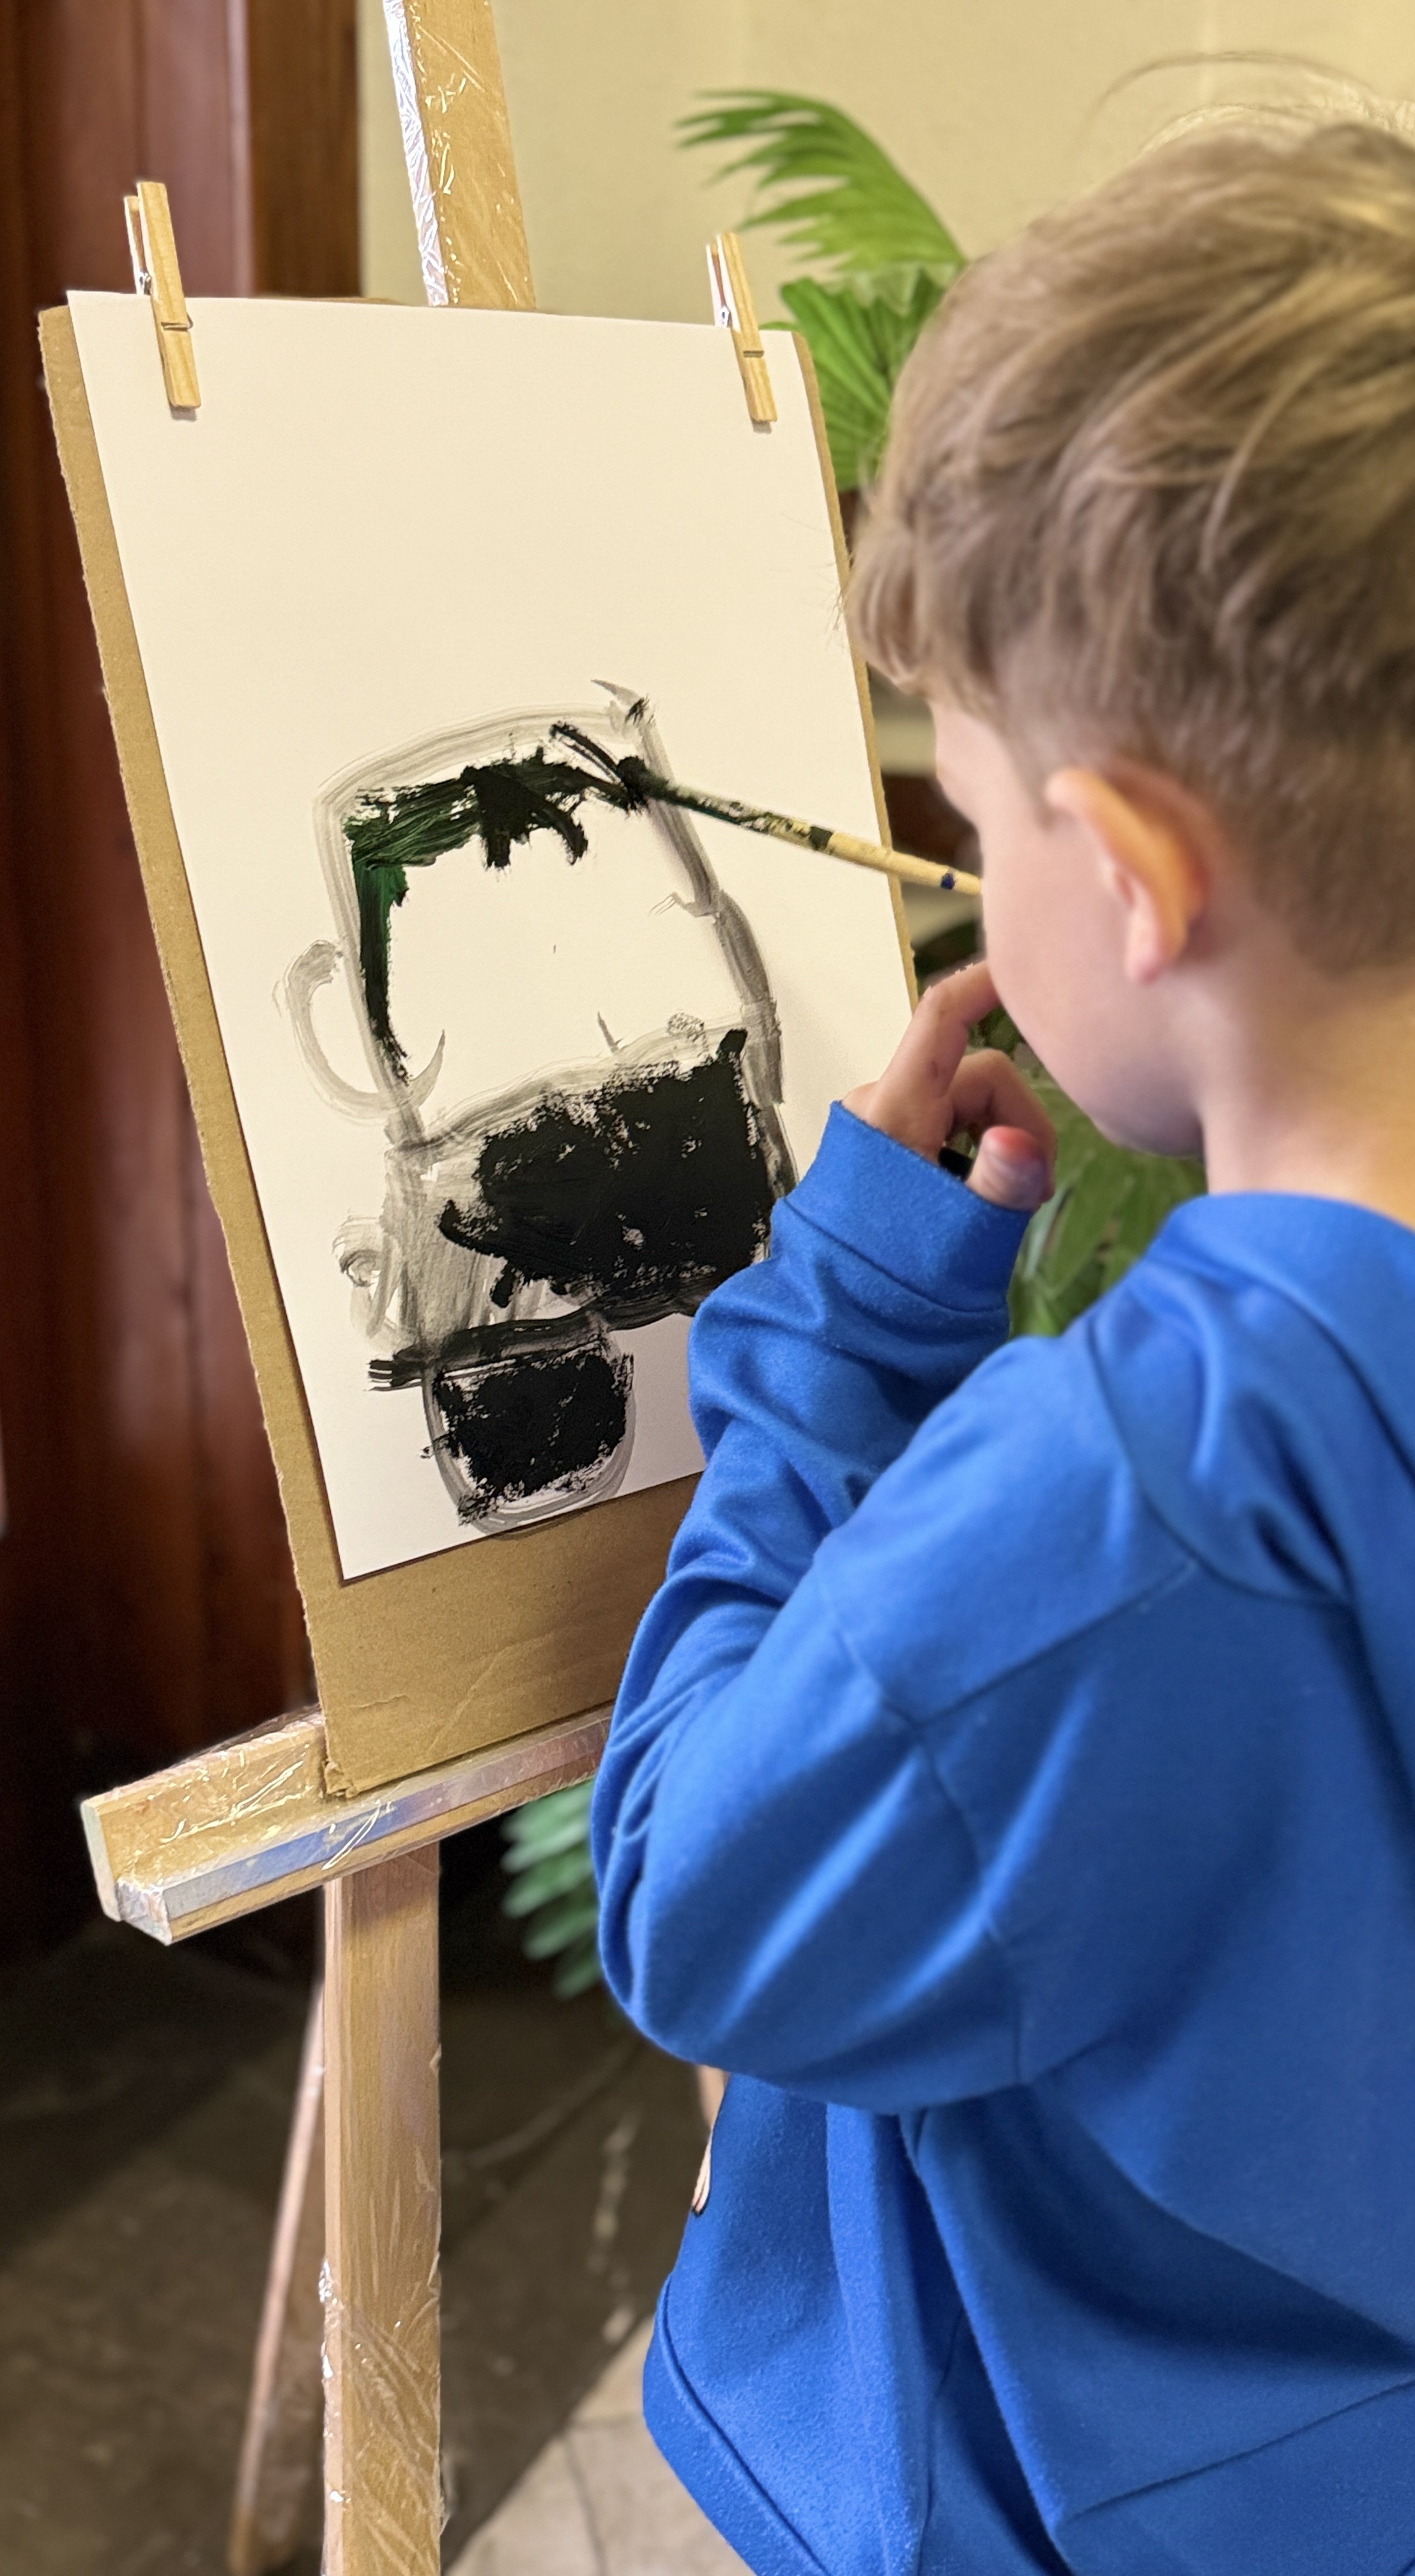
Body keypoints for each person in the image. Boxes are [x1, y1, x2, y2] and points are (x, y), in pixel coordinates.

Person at [590, 118, 1415, 2576]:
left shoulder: (1133, 1488)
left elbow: (694, 1899)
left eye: (966, 826)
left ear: (1131, 871)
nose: (959, 885)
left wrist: (833, 1335)